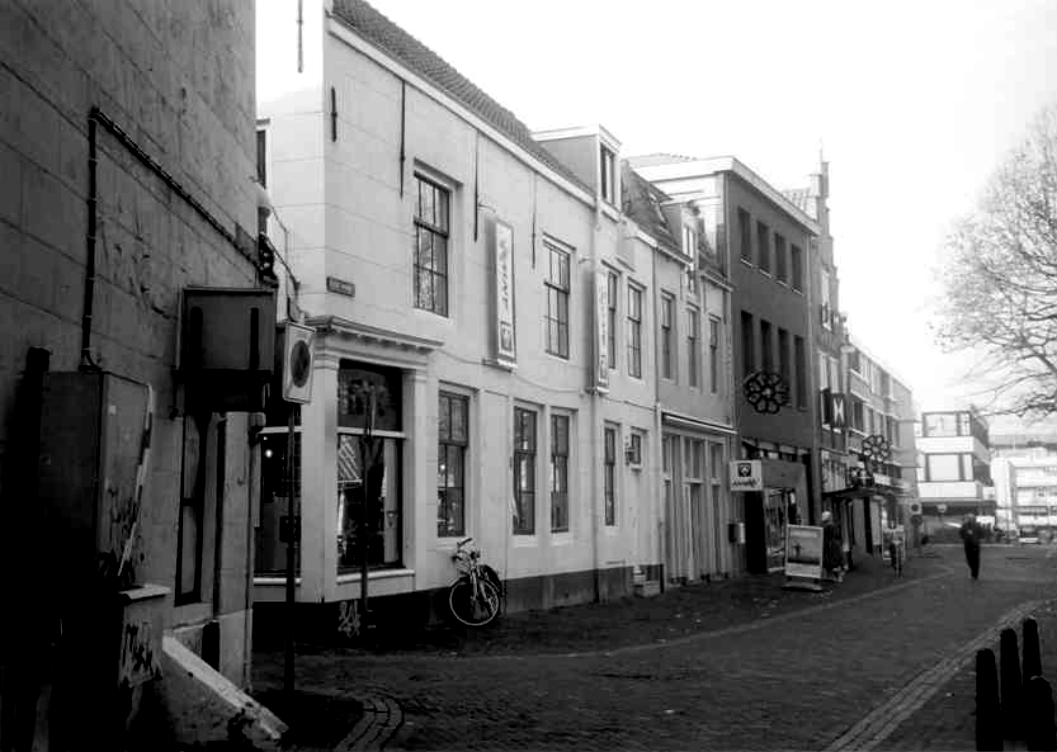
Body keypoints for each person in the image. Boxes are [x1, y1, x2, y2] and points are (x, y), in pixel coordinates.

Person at [822, 510, 844, 583]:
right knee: (832, 561)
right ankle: (833, 576)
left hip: (831, 546)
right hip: (831, 545)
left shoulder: (829, 526)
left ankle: (837, 576)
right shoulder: (830, 526)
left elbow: (833, 536)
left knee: (833, 561)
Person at [960, 513, 983, 580]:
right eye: (969, 518)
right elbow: (961, 532)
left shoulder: (978, 525)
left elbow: (981, 534)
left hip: (975, 544)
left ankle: (975, 575)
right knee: (969, 559)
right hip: (967, 544)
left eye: (971, 518)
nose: (969, 519)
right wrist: (964, 537)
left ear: (974, 519)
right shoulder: (965, 525)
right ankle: (973, 571)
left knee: (975, 560)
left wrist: (976, 539)